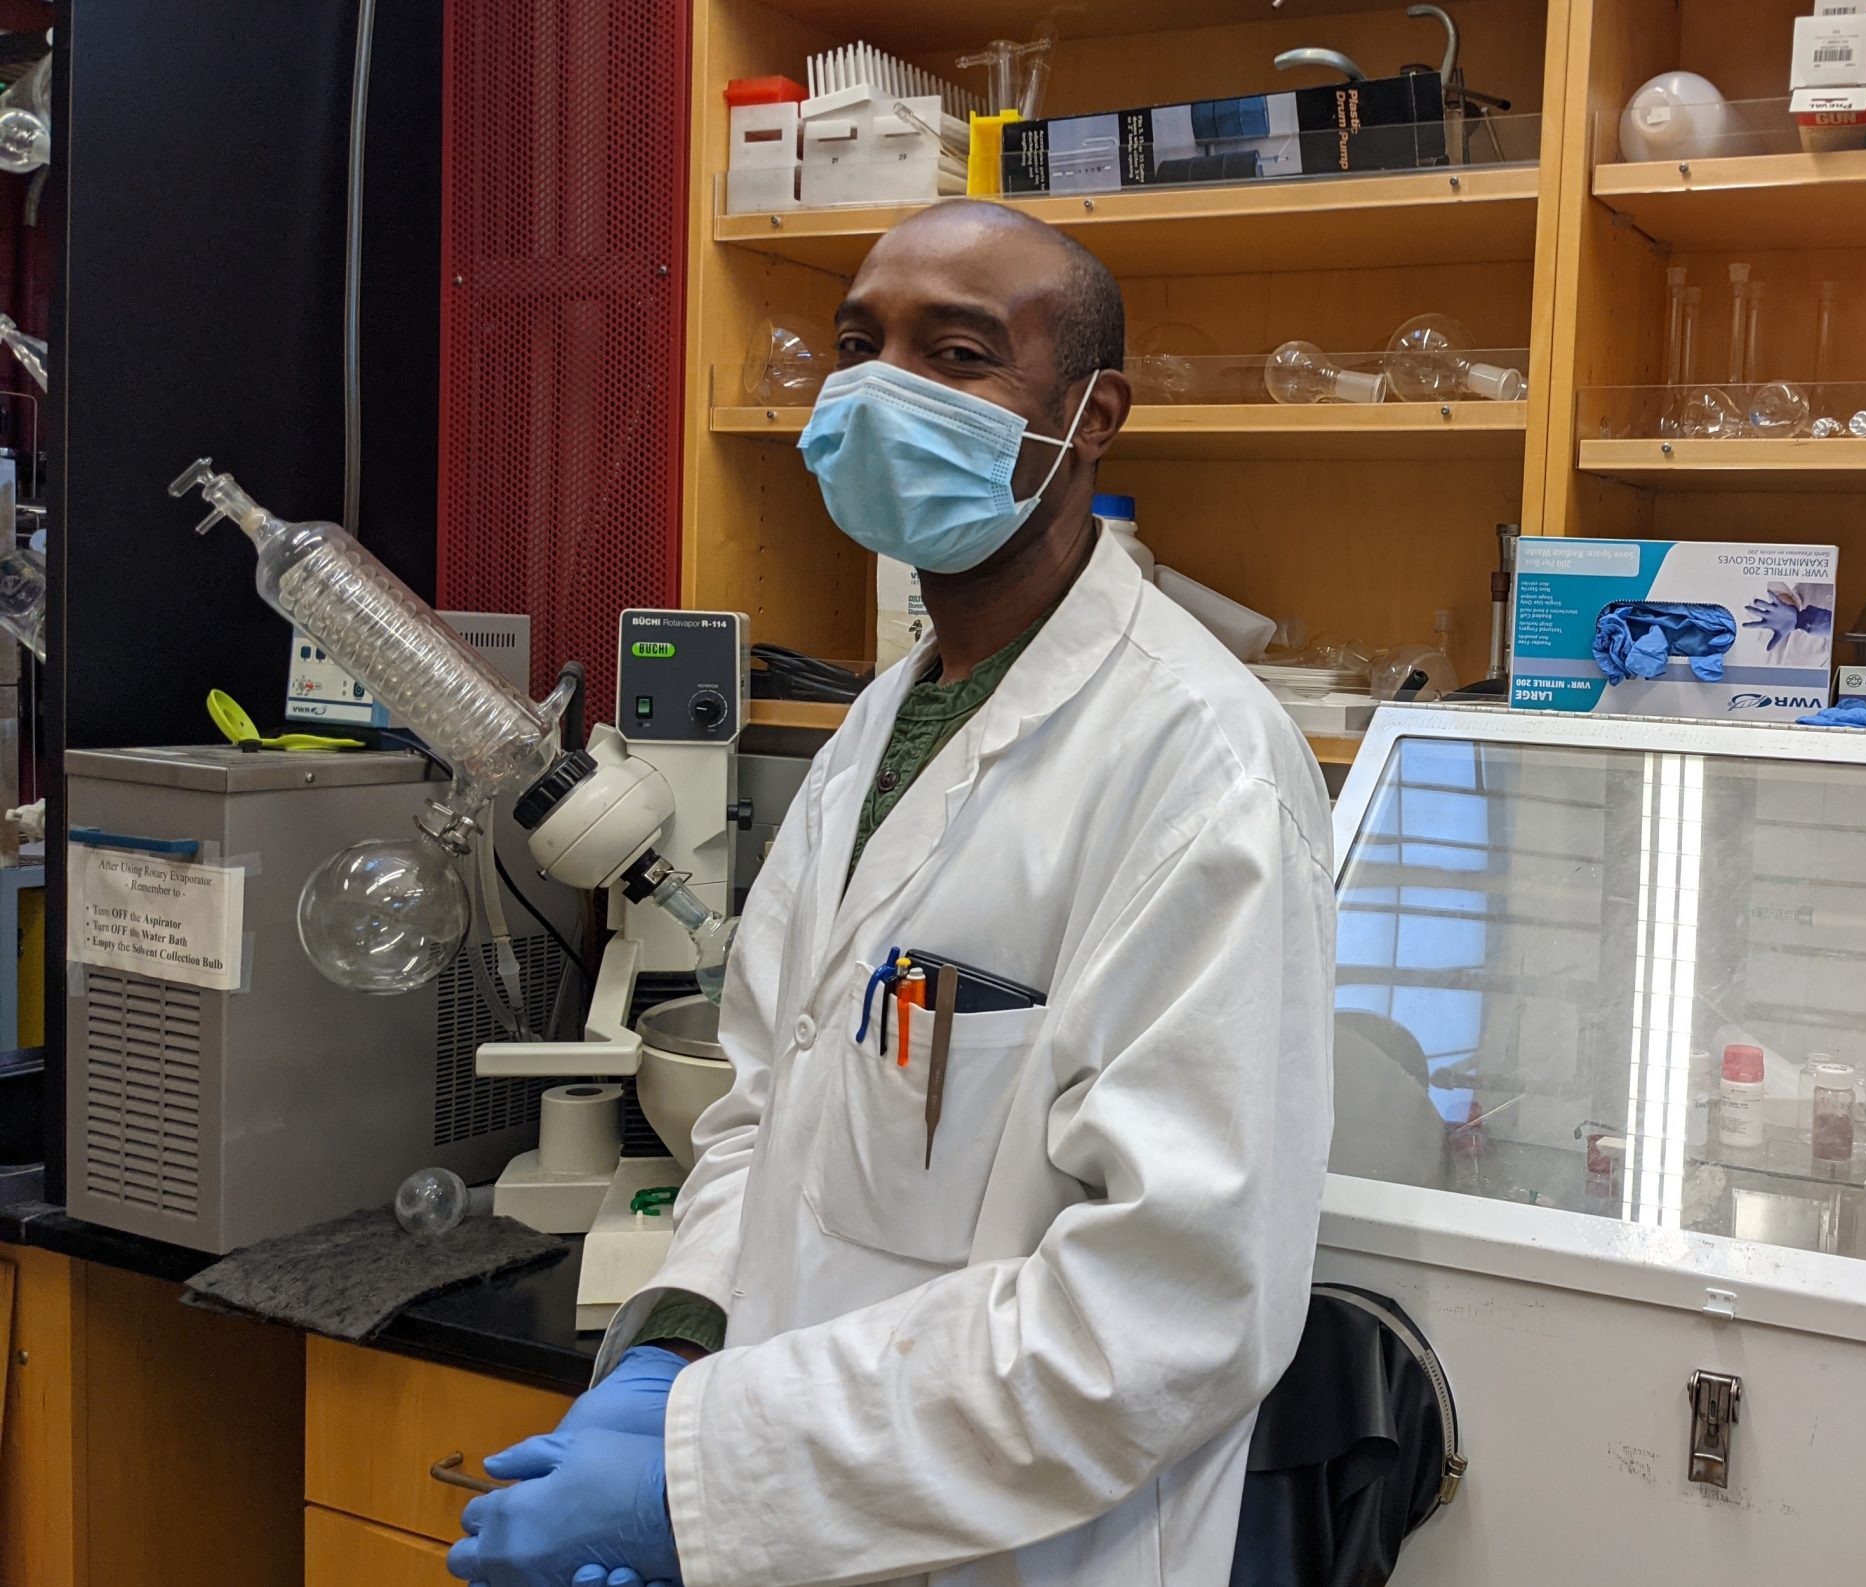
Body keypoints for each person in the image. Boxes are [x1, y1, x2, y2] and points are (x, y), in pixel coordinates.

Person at [447, 202, 1338, 1587]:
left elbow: (1168, 1316)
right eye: (859, 345)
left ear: (1092, 415)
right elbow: (765, 1102)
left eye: (959, 353)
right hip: (805, 1498)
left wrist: (705, 1481)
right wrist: (681, 1345)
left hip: (1021, 1551)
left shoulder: (1200, 766)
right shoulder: (878, 725)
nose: (879, 391)